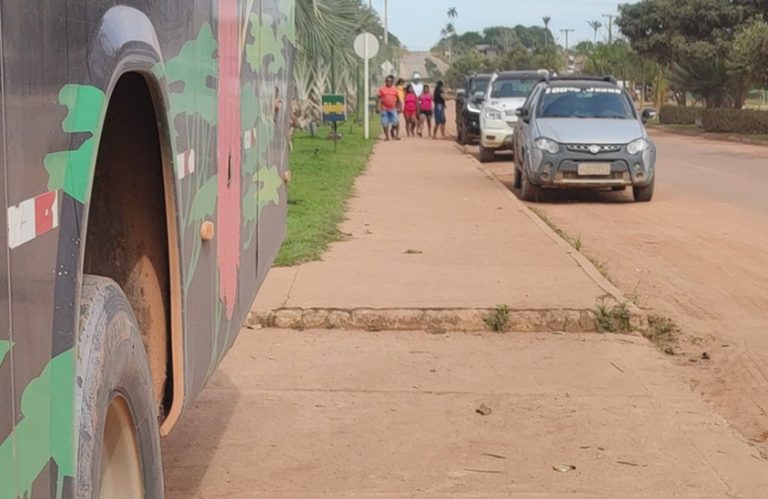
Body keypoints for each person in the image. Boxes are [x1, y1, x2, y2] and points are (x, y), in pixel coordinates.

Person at [377, 75, 400, 141]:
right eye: (387, 81)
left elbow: (398, 99)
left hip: (393, 108)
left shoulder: (395, 89)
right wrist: (378, 107)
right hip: (384, 108)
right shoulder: (382, 89)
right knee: (385, 122)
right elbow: (378, 99)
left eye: (390, 81)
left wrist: (399, 107)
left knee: (396, 121)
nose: (388, 82)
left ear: (392, 82)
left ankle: (396, 135)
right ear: (385, 82)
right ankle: (387, 136)